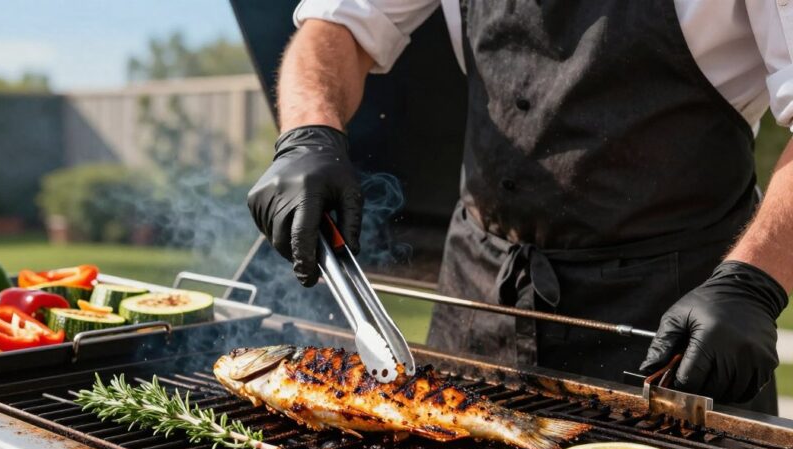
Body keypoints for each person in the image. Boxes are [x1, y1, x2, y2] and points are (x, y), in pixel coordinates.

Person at [246, 1, 793, 414]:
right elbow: (335, 26)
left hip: (676, 322)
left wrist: (754, 282)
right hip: (480, 295)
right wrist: (308, 132)